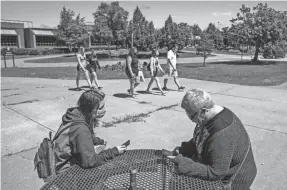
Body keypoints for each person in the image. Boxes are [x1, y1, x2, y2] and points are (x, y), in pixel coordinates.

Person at [166, 89, 257, 190]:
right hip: (220, 169)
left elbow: (216, 173)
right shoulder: (208, 117)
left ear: (203, 111)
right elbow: (202, 139)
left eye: (191, 116)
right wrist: (184, 149)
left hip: (234, 179)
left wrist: (183, 163)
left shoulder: (222, 134)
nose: (191, 120)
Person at [54, 89, 127, 174]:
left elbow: (80, 139)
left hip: (68, 163)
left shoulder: (77, 115)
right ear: (90, 108)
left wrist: (98, 141)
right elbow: (90, 162)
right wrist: (113, 151)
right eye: (100, 107)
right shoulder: (80, 128)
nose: (104, 110)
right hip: (68, 173)